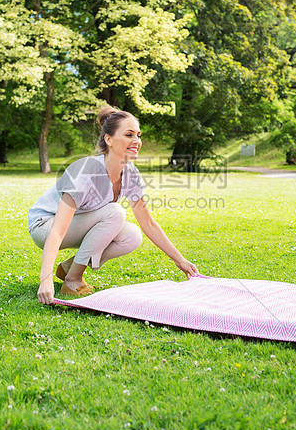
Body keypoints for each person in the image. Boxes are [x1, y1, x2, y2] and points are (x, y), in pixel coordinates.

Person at [30, 105, 200, 305]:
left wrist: (179, 260)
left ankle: (70, 268)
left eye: (138, 135)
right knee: (115, 212)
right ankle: (72, 280)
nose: (136, 141)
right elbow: (58, 230)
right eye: (129, 135)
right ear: (108, 139)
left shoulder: (131, 172)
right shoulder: (86, 170)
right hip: (45, 225)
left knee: (132, 236)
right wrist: (45, 279)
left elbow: (149, 224)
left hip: (80, 224)